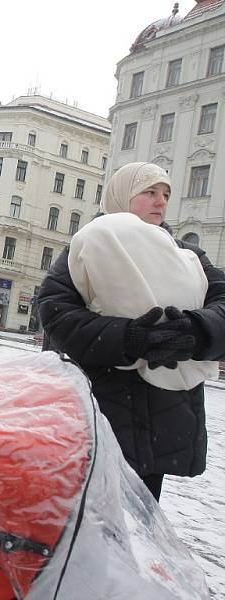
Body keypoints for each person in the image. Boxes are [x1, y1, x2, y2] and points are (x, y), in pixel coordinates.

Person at [37, 162, 225, 502]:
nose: (161, 202)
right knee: (87, 515)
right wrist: (127, 338)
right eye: (150, 192)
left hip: (163, 411)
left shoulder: (186, 254)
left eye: (166, 194)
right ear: (122, 195)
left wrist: (197, 331)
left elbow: (223, 302)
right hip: (101, 405)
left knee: (141, 519)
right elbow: (56, 313)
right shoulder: (89, 244)